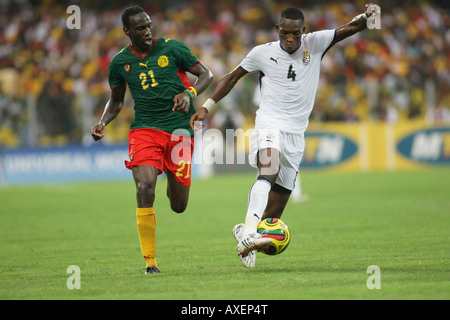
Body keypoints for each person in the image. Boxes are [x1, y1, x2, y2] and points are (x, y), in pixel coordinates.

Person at [190, 4, 378, 268]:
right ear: (278, 30)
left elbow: (352, 28)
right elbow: (232, 77)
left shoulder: (315, 43)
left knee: (274, 216)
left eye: (296, 34)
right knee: (268, 170)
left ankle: (246, 230)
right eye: (285, 33)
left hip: (296, 135)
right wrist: (206, 107)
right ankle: (248, 234)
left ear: (304, 31)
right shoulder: (262, 53)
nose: (290, 39)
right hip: (269, 124)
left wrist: (369, 16)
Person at [91, 5, 213, 274]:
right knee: (145, 187)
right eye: (140, 28)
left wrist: (189, 93)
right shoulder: (119, 63)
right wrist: (102, 122)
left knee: (179, 206)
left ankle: (171, 173)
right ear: (127, 31)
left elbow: (208, 75)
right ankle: (150, 262)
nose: (147, 32)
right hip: (145, 130)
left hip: (180, 132)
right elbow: (116, 101)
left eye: (149, 26)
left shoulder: (173, 49)